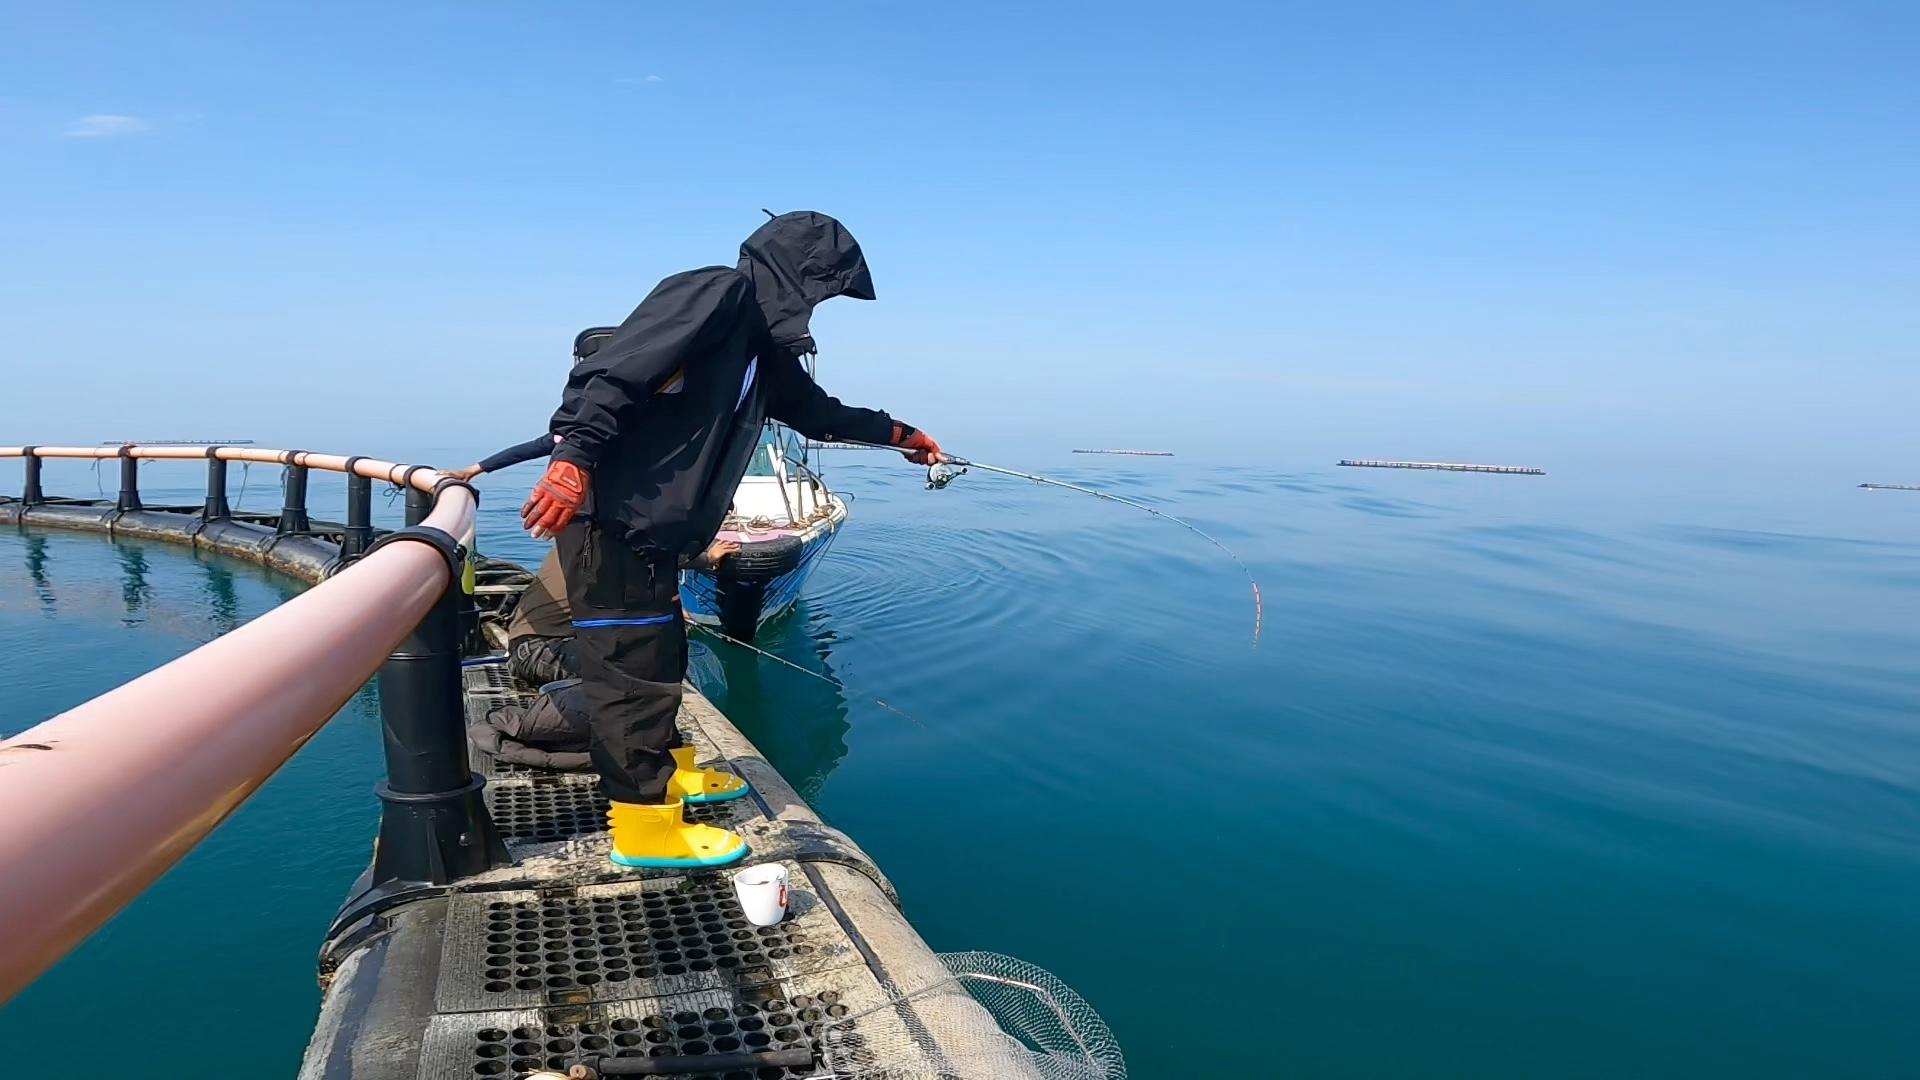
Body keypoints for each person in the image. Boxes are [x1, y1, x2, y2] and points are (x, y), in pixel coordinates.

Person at [520, 210, 944, 870]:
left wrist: (901, 435)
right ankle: (645, 827)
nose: (818, 306)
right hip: (611, 521)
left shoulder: (761, 351)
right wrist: (573, 459)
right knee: (626, 670)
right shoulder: (715, 292)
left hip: (658, 532)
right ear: (795, 275)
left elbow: (818, 413)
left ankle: (674, 770)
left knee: (660, 659)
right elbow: (613, 372)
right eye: (820, 290)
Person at [448, 443, 736, 688]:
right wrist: (708, 559)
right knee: (647, 661)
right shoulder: (607, 546)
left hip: (546, 643)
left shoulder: (590, 540)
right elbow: (660, 561)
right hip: (540, 652)